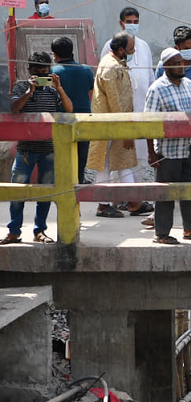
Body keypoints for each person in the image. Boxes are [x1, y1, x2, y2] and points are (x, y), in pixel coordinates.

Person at [2, 52, 72, 244]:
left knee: (46, 191)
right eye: (38, 73)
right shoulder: (22, 86)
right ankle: (14, 230)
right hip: (25, 149)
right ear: (30, 71)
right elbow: (15, 109)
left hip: (49, 149)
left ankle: (39, 230)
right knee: (17, 191)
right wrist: (29, 92)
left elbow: (69, 109)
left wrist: (59, 88)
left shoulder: (52, 90)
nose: (42, 76)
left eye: (45, 72)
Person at [144, 48, 191, 244]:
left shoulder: (188, 84)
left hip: (188, 146)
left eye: (182, 62)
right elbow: (148, 123)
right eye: (176, 62)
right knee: (165, 195)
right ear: (166, 66)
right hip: (167, 151)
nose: (181, 66)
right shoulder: (157, 88)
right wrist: (151, 153)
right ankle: (161, 233)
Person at [101, 7, 157, 196]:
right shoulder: (110, 48)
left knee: (139, 156)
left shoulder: (144, 46)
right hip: (118, 112)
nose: (132, 25)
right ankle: (120, 197)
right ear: (121, 23)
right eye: (129, 21)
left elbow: (150, 78)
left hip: (141, 107)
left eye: (135, 21)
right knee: (118, 156)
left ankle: (135, 196)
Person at [86, 32, 138, 218]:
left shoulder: (116, 64)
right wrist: (125, 129)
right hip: (110, 122)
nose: (133, 52)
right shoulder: (111, 67)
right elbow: (115, 101)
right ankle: (104, 203)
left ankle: (134, 200)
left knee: (119, 160)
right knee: (105, 162)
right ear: (121, 49)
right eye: (131, 49)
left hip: (115, 121)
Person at [50, 36, 94, 183]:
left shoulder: (53, 72)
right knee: (80, 163)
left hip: (61, 120)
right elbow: (90, 94)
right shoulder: (86, 70)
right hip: (84, 120)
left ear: (55, 54)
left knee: (63, 160)